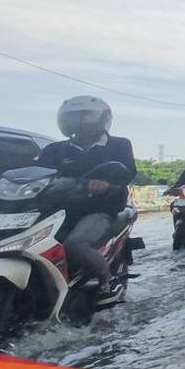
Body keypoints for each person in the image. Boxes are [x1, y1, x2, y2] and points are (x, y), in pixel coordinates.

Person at [35, 96, 137, 297]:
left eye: (85, 116)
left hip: (100, 209)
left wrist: (106, 184)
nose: (79, 121)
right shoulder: (54, 150)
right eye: (73, 117)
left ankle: (106, 281)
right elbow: (35, 174)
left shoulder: (119, 145)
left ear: (102, 118)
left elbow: (127, 172)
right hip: (60, 210)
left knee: (76, 245)